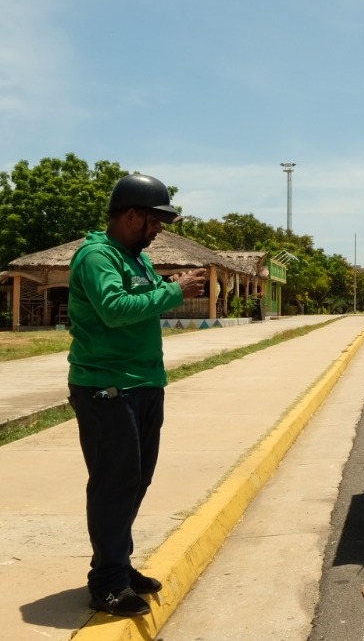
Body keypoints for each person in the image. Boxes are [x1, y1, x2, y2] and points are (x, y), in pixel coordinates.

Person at [68, 174, 206, 617]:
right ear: (132, 215)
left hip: (143, 383)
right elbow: (113, 310)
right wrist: (174, 289)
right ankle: (106, 583)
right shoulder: (96, 257)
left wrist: (168, 283)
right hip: (106, 387)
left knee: (136, 480)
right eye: (155, 220)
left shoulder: (135, 258)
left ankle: (118, 564)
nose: (159, 229)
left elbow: (142, 296)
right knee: (114, 483)